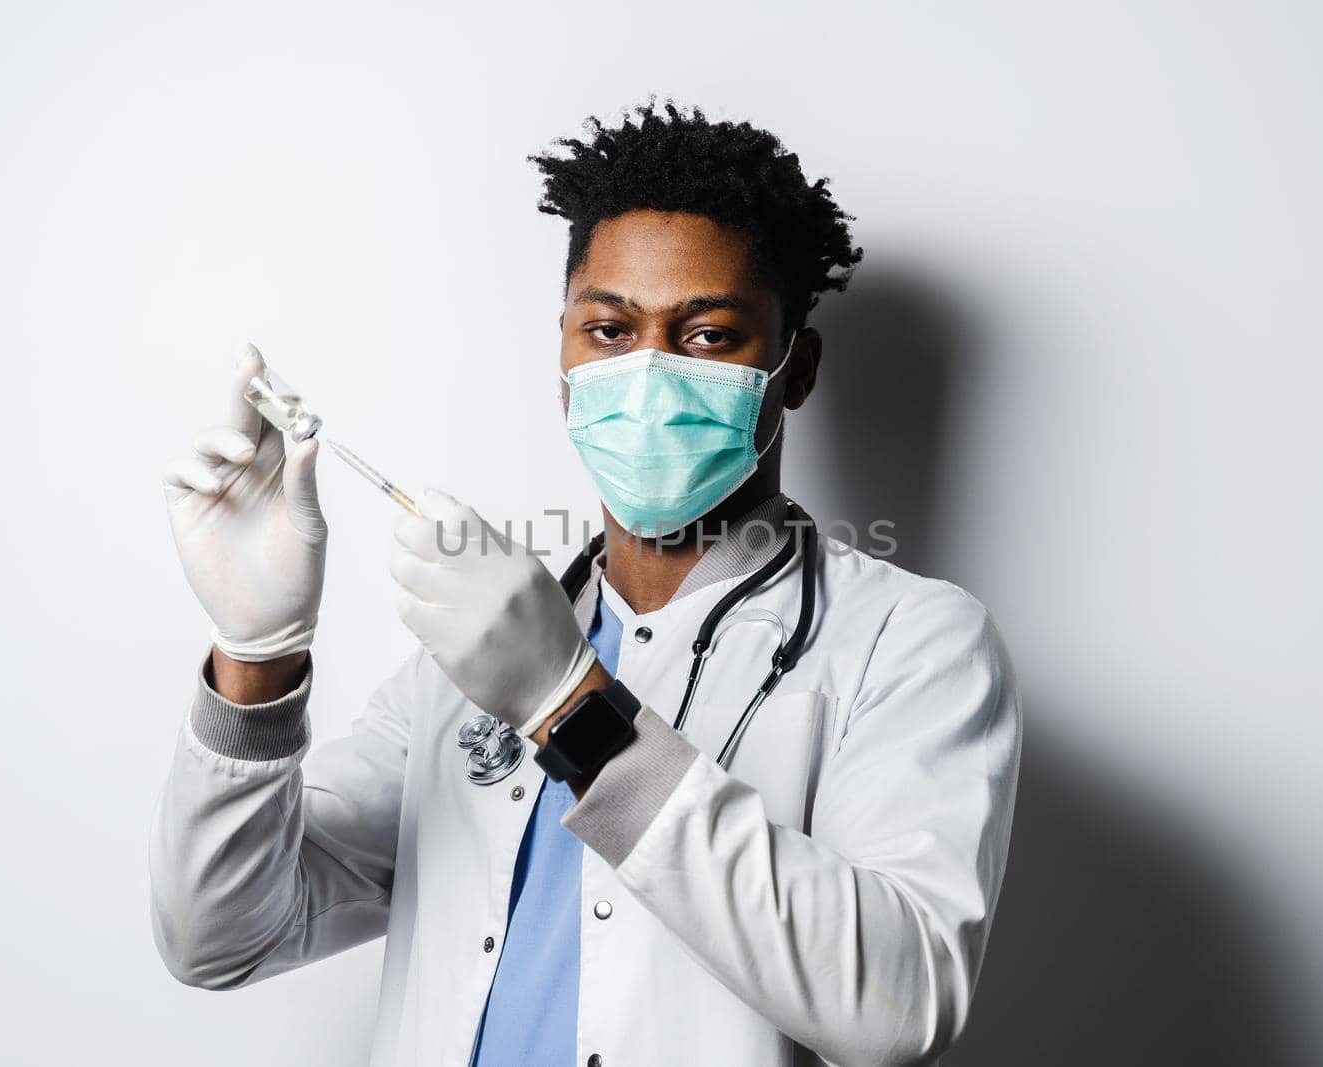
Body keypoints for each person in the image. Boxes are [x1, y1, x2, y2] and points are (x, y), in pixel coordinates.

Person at [153, 101, 1021, 1067]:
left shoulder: (913, 642)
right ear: (564, 362)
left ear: (795, 368)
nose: (645, 372)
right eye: (609, 330)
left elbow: (897, 1007)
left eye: (706, 335)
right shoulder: (465, 665)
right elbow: (221, 939)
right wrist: (255, 661)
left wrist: (570, 704)